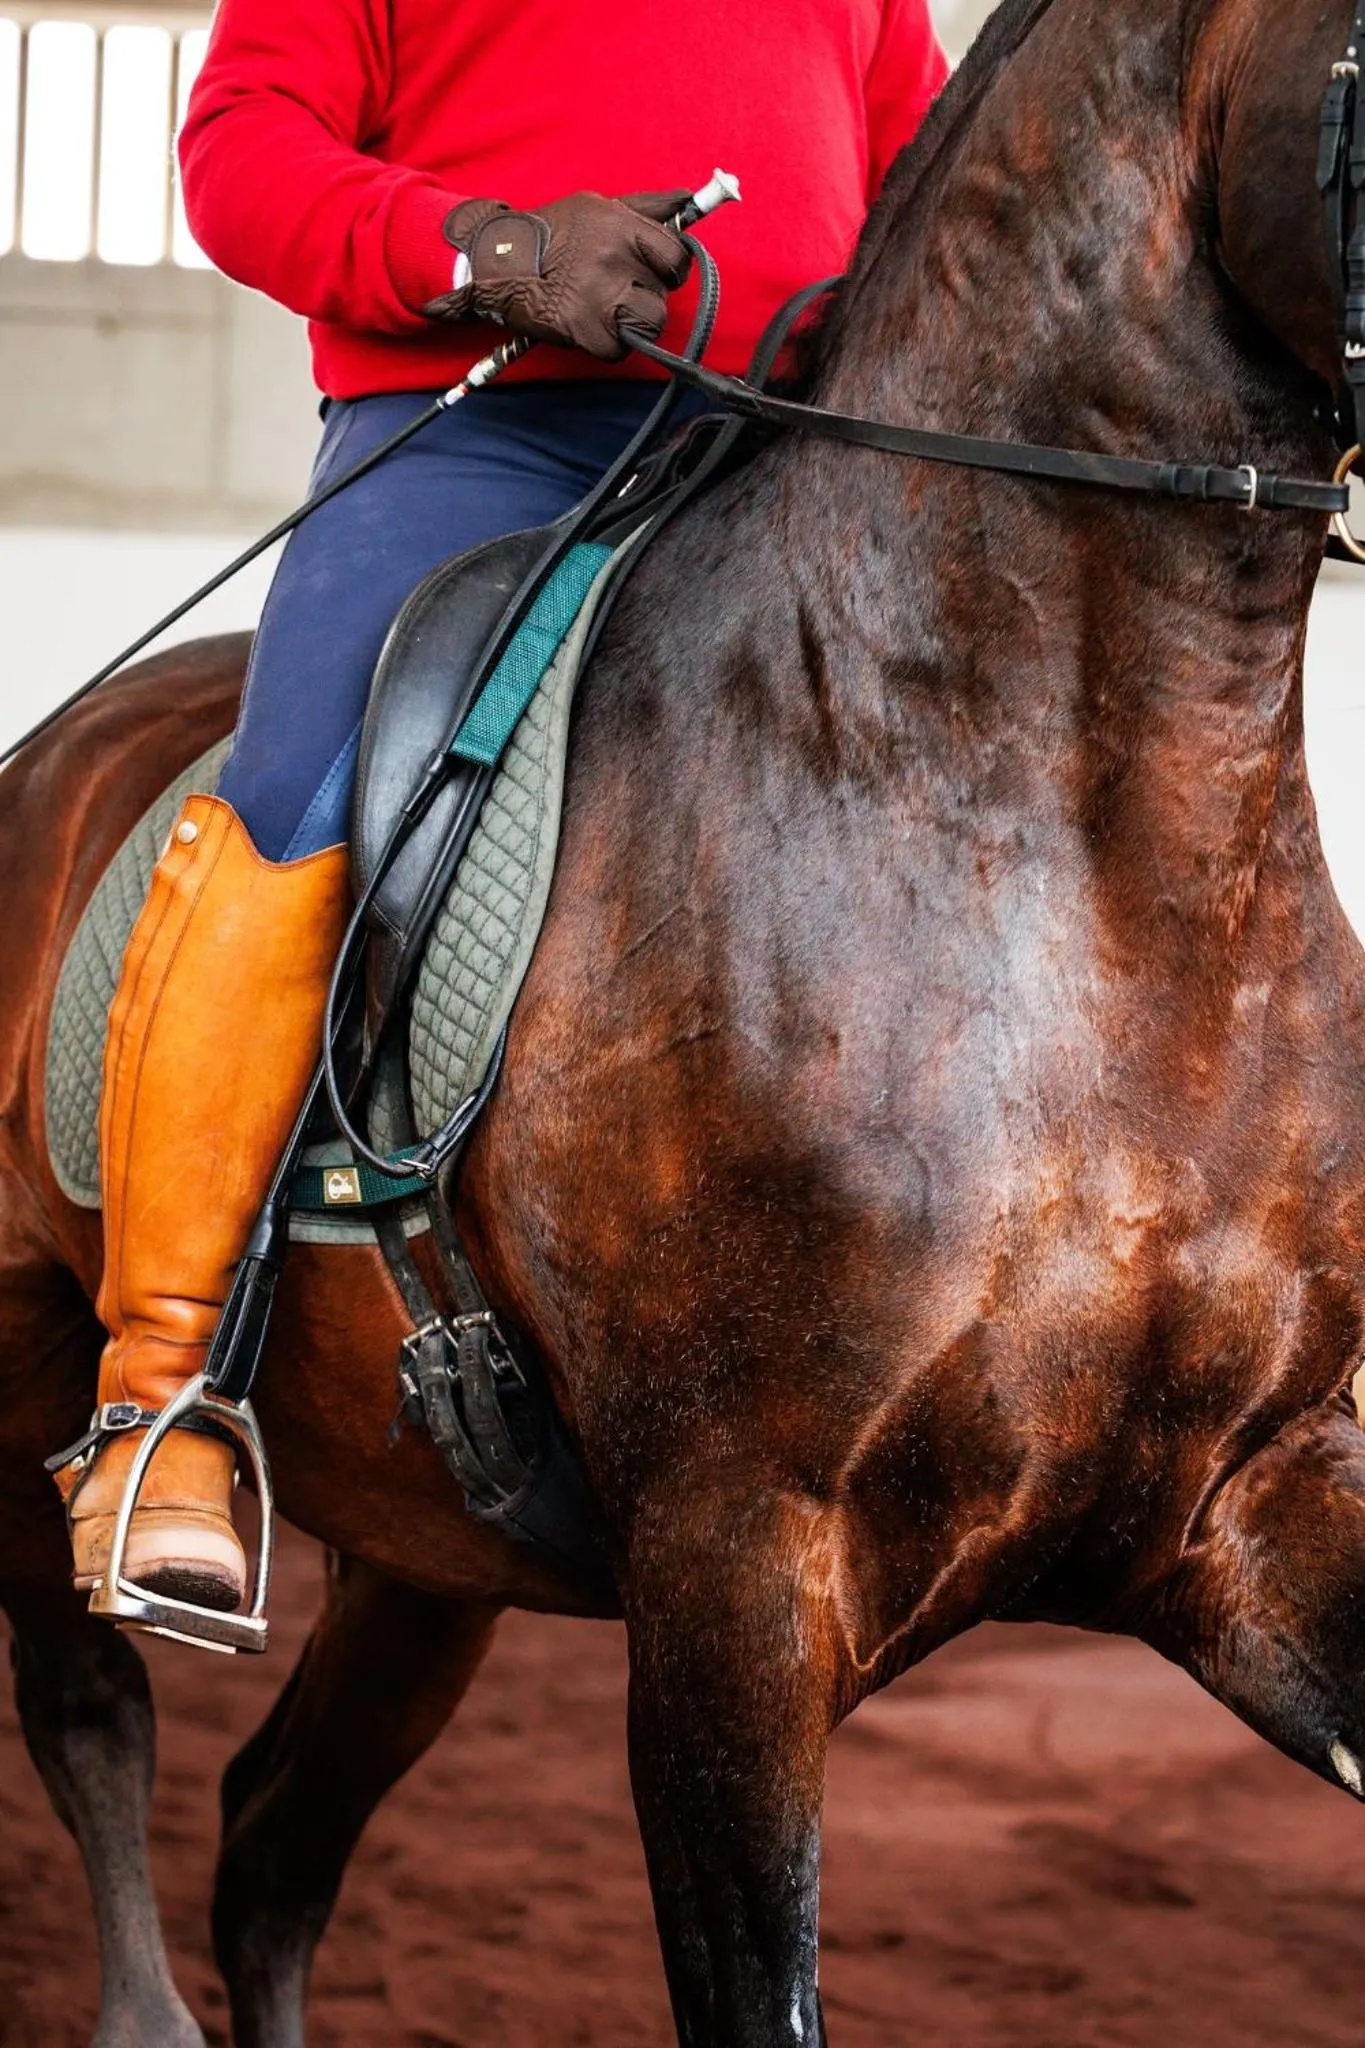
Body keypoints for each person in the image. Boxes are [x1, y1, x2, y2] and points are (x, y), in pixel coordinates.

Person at [52, 0, 949, 1626]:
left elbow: (931, 178)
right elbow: (240, 153)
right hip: (483, 433)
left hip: (791, 449)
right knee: (301, 799)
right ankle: (163, 1395)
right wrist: (493, 251)